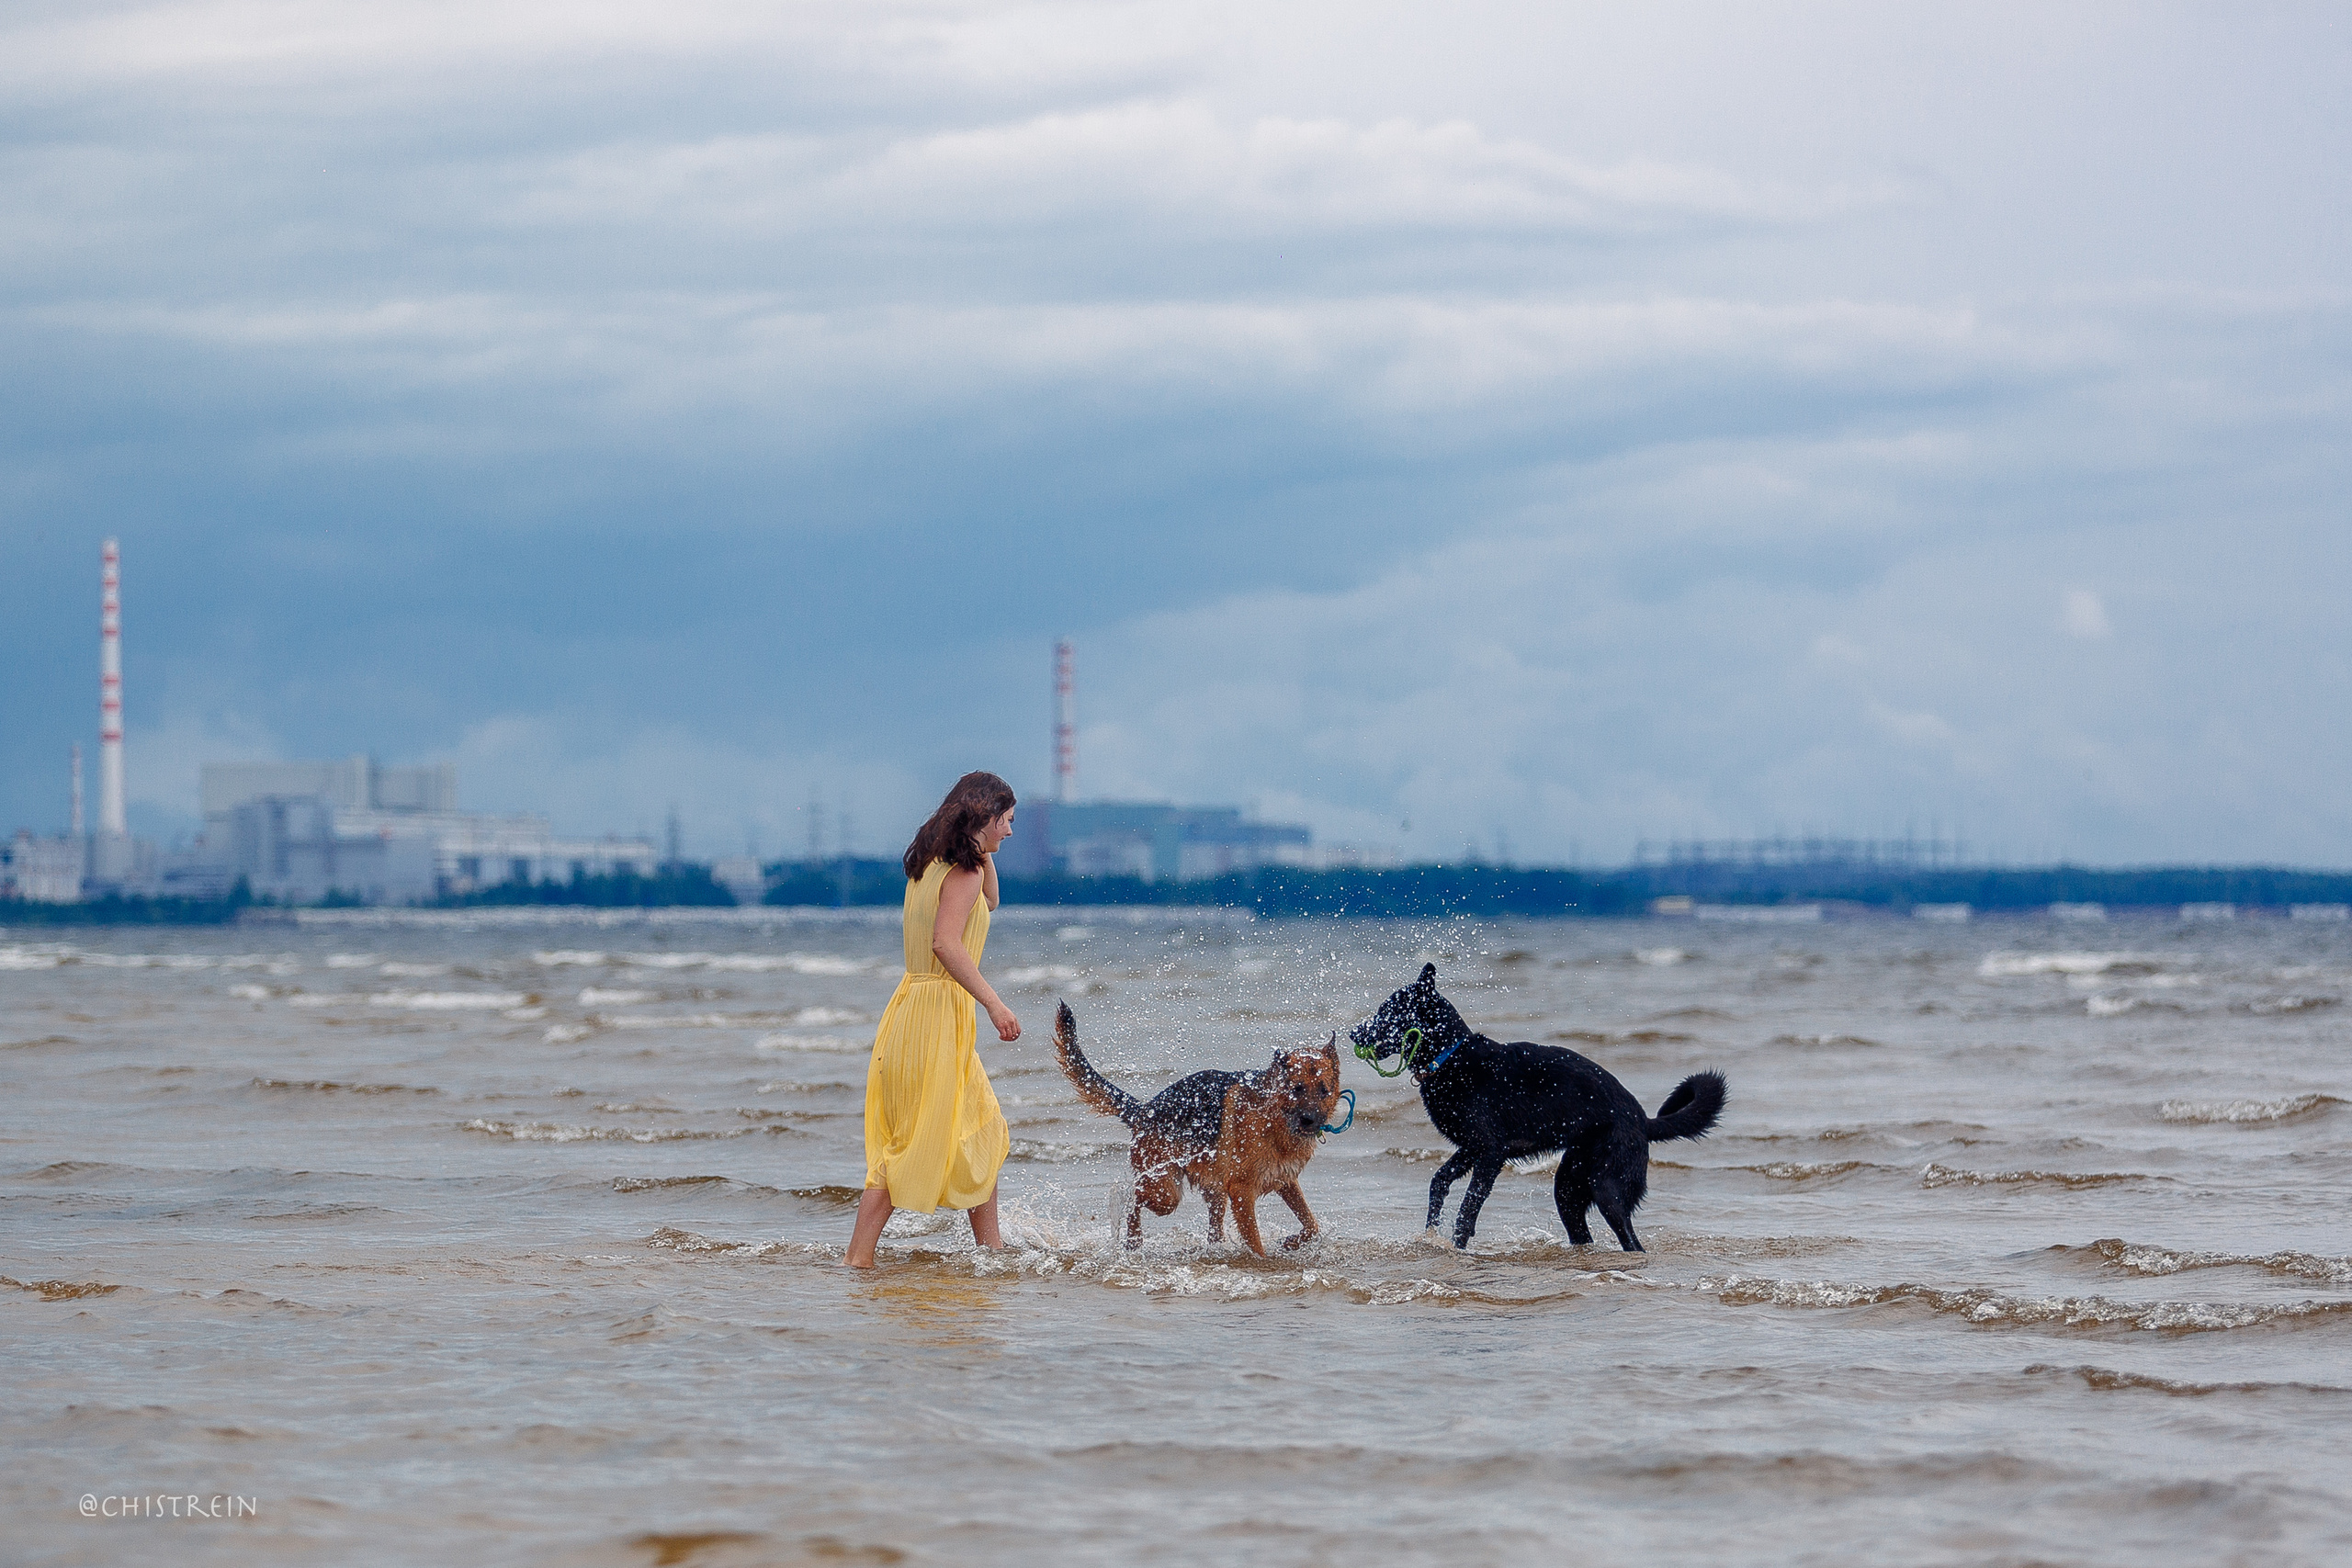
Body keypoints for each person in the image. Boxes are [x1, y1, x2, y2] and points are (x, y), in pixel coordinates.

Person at [843, 771, 1021, 1269]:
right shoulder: (959, 872)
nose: (1010, 832)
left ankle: (992, 1255)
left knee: (984, 1130)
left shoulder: (934, 864)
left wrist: (980, 847)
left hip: (915, 1010)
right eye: (1005, 821)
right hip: (937, 1016)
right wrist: (995, 1003)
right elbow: (946, 944)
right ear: (982, 816)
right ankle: (857, 1260)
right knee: (910, 1143)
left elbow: (991, 902)